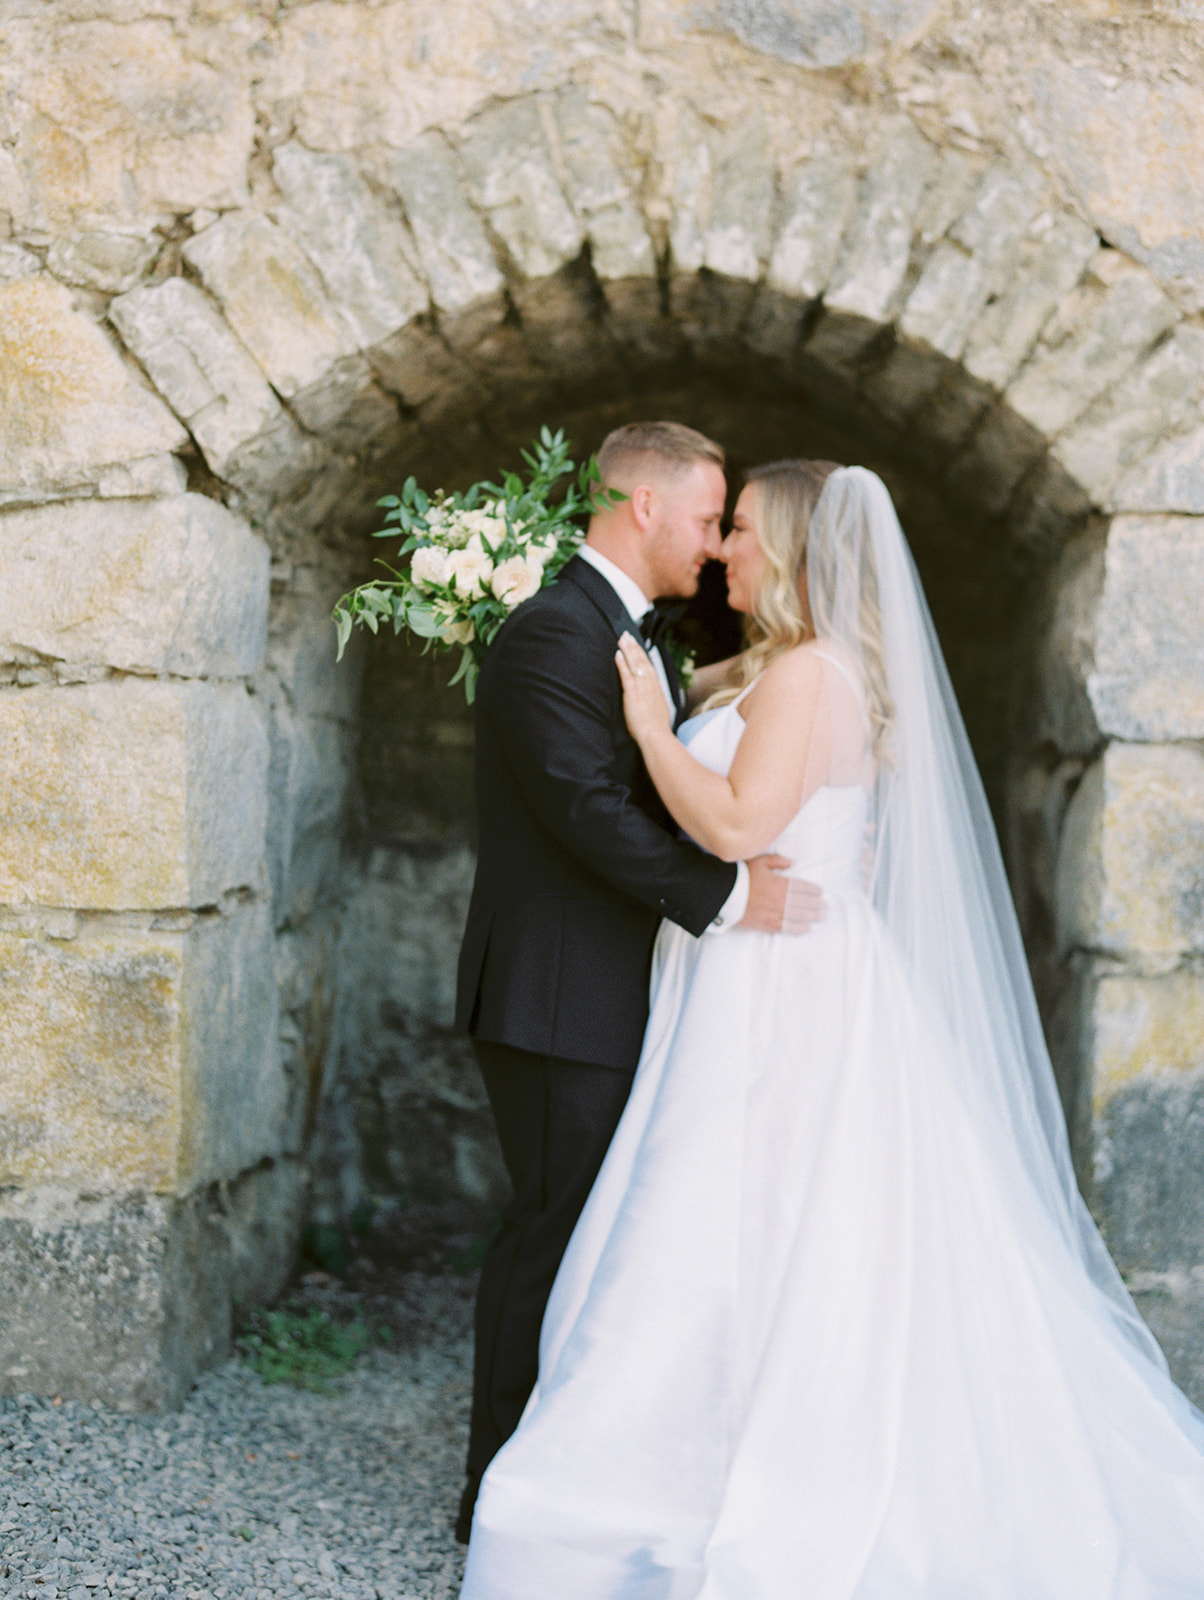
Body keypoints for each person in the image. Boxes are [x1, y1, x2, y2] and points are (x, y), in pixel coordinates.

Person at [459, 461, 1204, 1597]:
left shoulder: (811, 671)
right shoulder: (777, 667)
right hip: (748, 969)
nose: (722, 553)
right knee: (744, 1223)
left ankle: (728, 1464)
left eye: (743, 531)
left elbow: (736, 821)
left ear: (798, 552)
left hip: (779, 980)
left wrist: (655, 733)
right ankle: (700, 1439)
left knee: (754, 1219)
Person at [452, 423, 823, 1543]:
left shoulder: (626, 631)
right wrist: (723, 899)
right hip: (560, 994)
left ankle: (579, 1461)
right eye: (709, 520)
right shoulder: (551, 633)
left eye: (731, 528)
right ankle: (499, 1485)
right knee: (552, 1232)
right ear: (646, 507)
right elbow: (585, 810)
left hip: (616, 991)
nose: (715, 549)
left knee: (598, 1235)